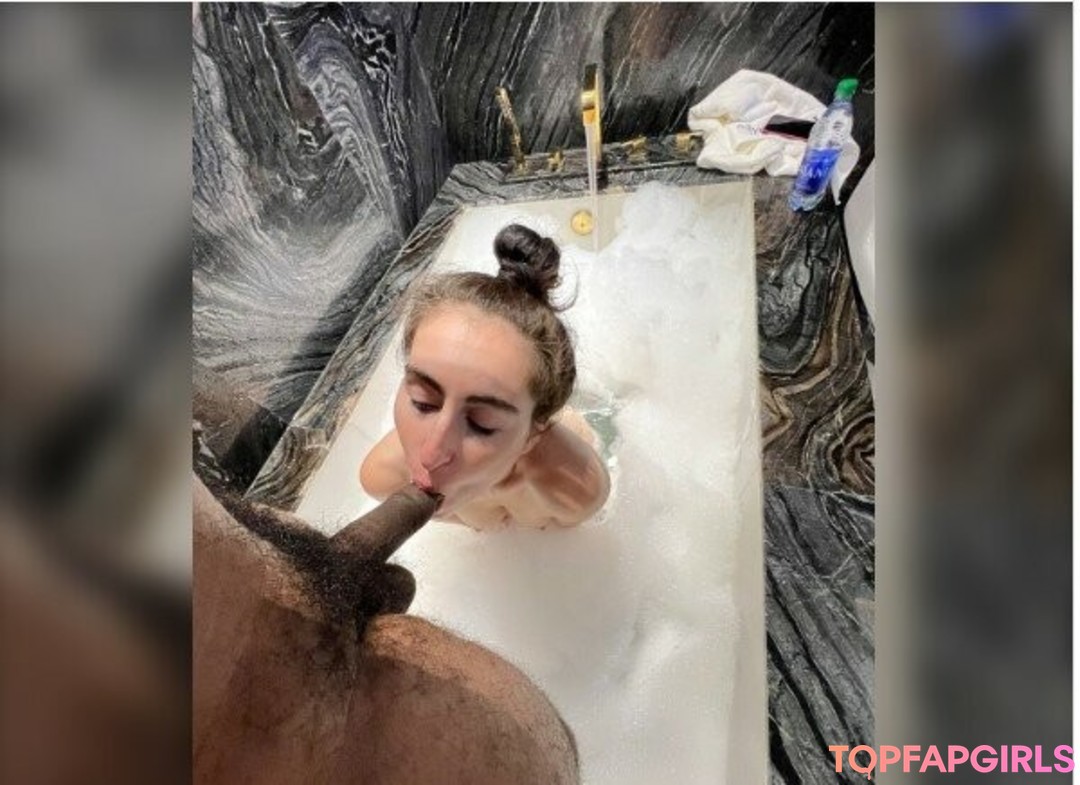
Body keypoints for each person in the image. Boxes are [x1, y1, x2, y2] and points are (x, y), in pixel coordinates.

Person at [360, 224, 610, 531]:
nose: (430, 455)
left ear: (533, 434)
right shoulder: (384, 479)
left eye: (482, 423)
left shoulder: (574, 492)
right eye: (423, 402)